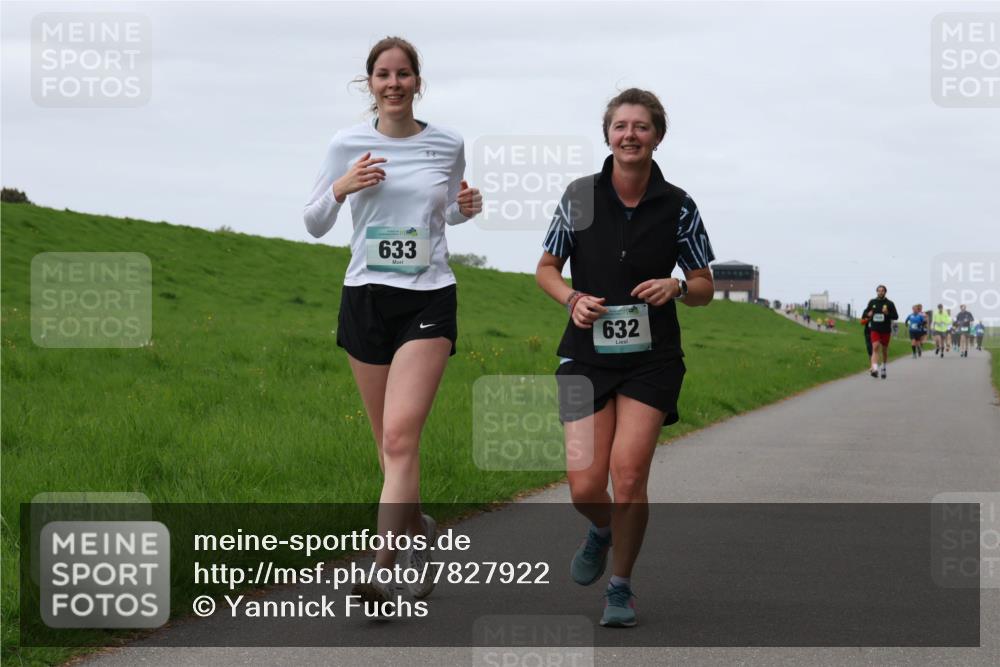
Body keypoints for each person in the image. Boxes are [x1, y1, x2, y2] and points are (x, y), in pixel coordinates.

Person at [303, 36, 482, 605]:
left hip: (428, 298)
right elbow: (313, 221)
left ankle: (380, 567)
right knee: (389, 448)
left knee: (403, 437)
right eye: (384, 74)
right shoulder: (346, 144)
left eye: (404, 74)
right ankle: (419, 530)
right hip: (366, 297)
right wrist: (341, 187)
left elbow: (445, 210)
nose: (394, 83)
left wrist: (464, 207)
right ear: (370, 83)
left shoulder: (447, 143)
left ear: (417, 82)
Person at [535, 88, 715, 628]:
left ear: (657, 136)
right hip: (583, 356)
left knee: (629, 475)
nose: (630, 134)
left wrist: (677, 286)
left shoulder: (679, 204)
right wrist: (571, 298)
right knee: (586, 486)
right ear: (608, 134)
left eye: (641, 126)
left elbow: (706, 283)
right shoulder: (579, 195)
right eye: (621, 126)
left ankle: (620, 586)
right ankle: (602, 528)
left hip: (652, 359)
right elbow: (545, 268)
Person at [862, 285, 898, 378]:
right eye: (879, 291)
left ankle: (883, 367)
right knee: (875, 347)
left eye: (882, 291)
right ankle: (874, 369)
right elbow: (865, 313)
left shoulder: (890, 303)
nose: (880, 292)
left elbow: (895, 316)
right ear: (876, 292)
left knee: (884, 350)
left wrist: (887, 313)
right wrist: (868, 313)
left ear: (885, 292)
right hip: (875, 329)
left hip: (885, 330)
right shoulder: (872, 302)